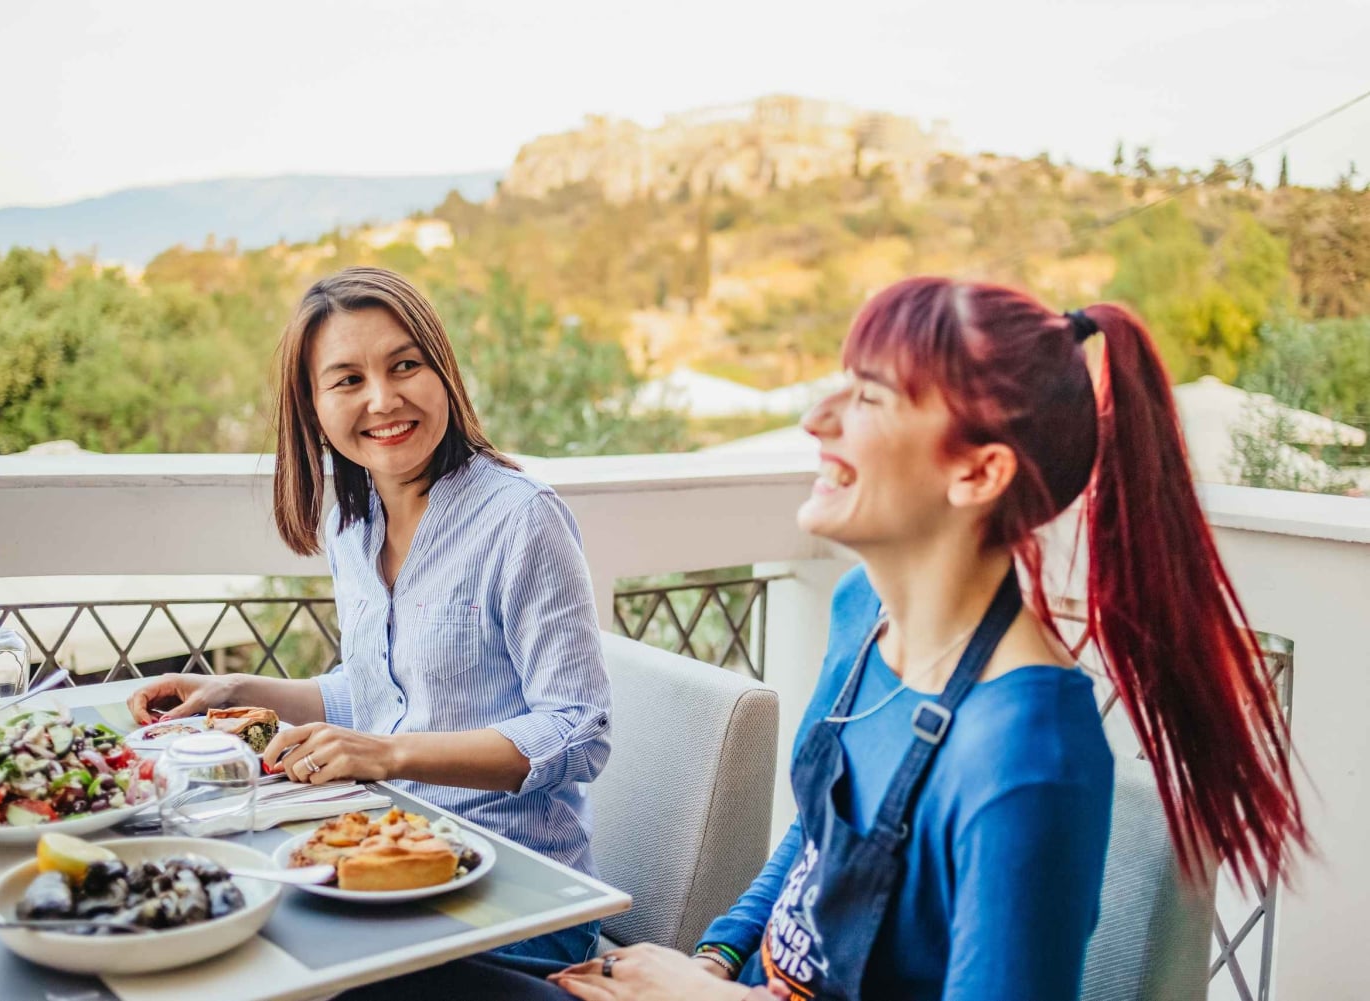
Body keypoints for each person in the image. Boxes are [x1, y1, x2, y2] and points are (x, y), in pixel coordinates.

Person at [357, 275, 1307, 1001]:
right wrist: (716, 957)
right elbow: (816, 844)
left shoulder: (1030, 753)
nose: (817, 419)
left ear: (977, 472)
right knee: (372, 973)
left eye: (870, 399)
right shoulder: (864, 611)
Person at [126, 266, 613, 971]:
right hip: (381, 859)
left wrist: (389, 754)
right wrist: (236, 693)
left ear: (441, 371)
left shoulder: (521, 518)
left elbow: (578, 729)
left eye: (404, 365)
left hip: (515, 905)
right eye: (348, 379)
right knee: (196, 923)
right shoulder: (353, 526)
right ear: (314, 405)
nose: (383, 399)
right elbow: (382, 694)